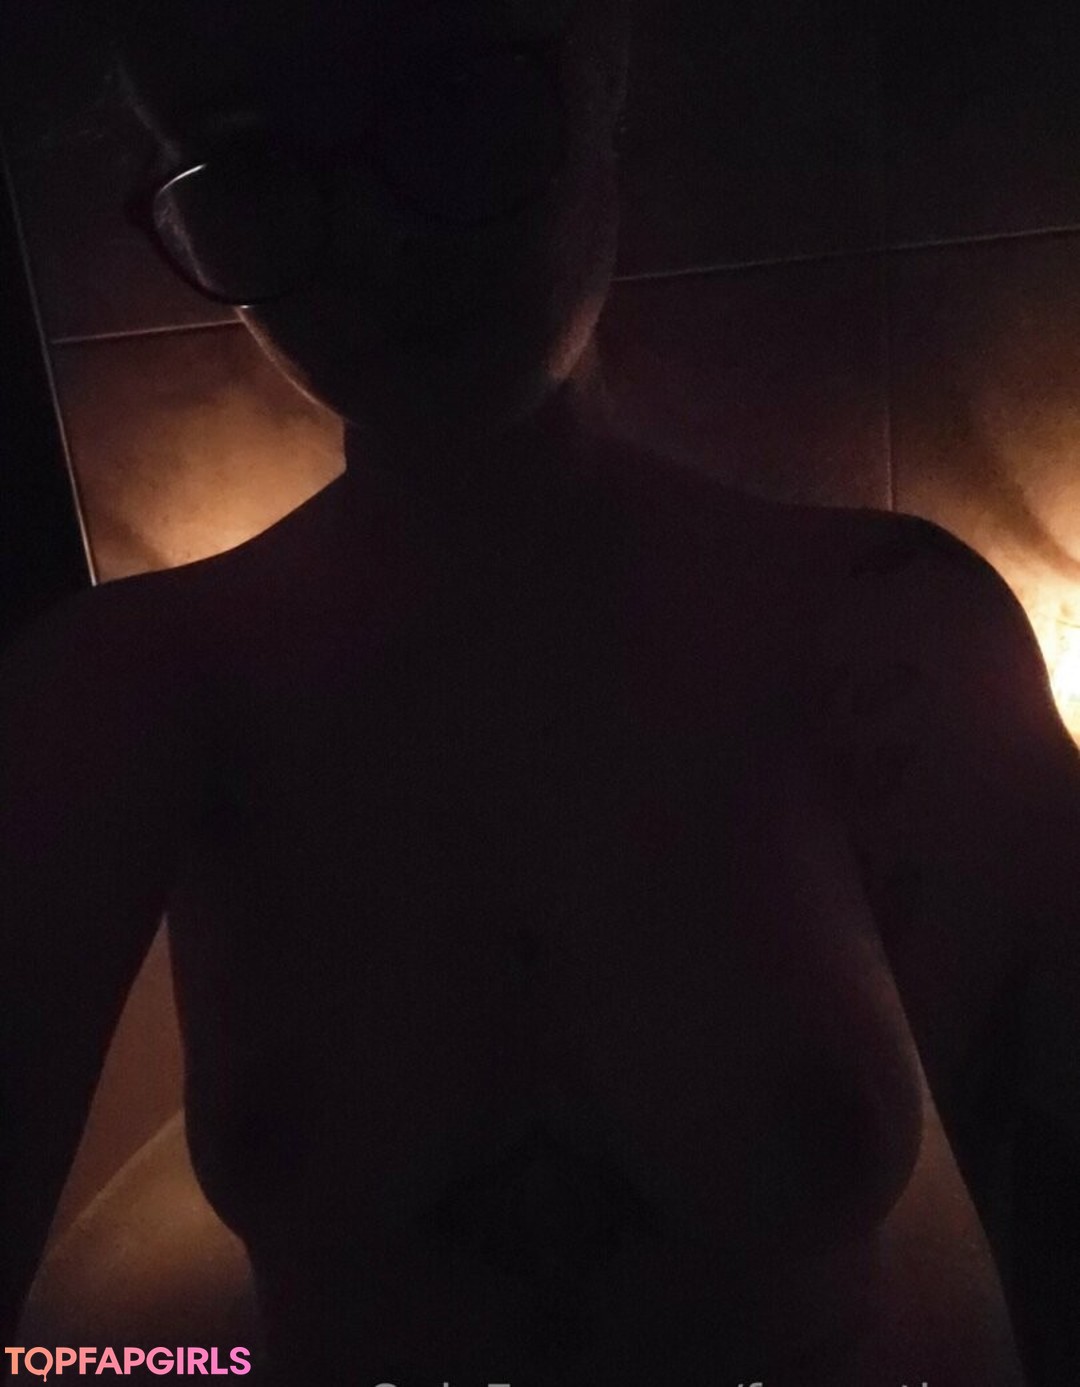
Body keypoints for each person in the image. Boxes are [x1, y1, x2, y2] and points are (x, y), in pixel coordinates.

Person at [2, 0, 1077, 1381]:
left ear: (604, 70)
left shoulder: (889, 636)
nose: (375, 242)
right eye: (253, 166)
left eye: (449, 103)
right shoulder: (119, 692)